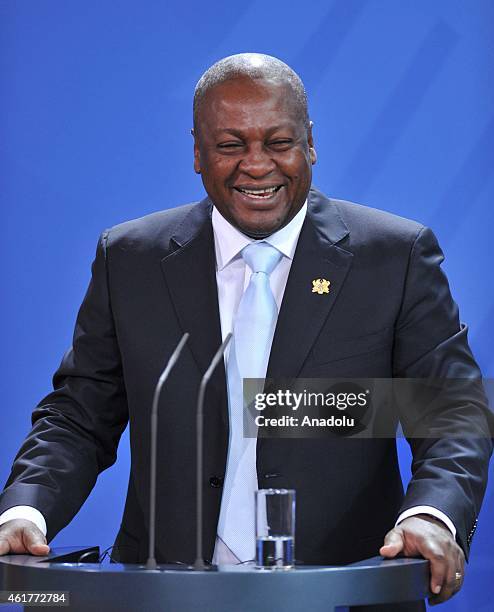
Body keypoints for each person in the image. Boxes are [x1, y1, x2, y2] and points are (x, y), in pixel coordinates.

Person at [0, 53, 491, 610]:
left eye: (278, 142)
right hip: (163, 592)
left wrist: (432, 514)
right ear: (197, 153)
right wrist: (25, 508)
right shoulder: (130, 259)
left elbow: (452, 413)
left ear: (310, 143)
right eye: (230, 145)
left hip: (340, 592)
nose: (257, 165)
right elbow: (79, 414)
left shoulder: (394, 257)